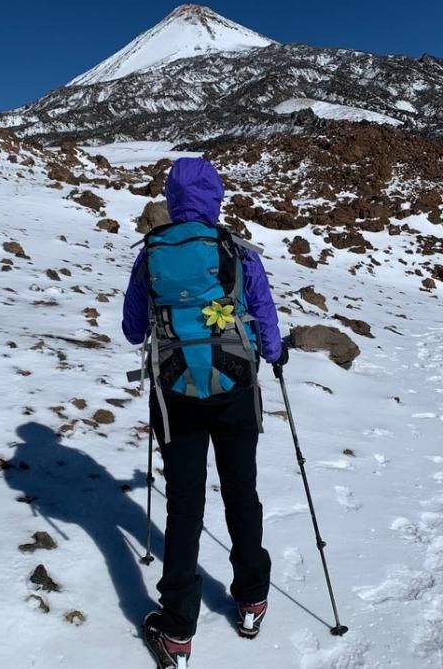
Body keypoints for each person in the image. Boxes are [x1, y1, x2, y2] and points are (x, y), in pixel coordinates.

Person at [122, 157, 288, 667]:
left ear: (171, 201)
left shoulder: (151, 256)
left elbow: (132, 330)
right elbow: (264, 321)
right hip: (236, 389)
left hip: (175, 395)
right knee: (242, 492)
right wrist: (276, 354)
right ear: (215, 198)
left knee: (185, 507)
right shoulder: (238, 252)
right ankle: (252, 600)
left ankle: (176, 631)